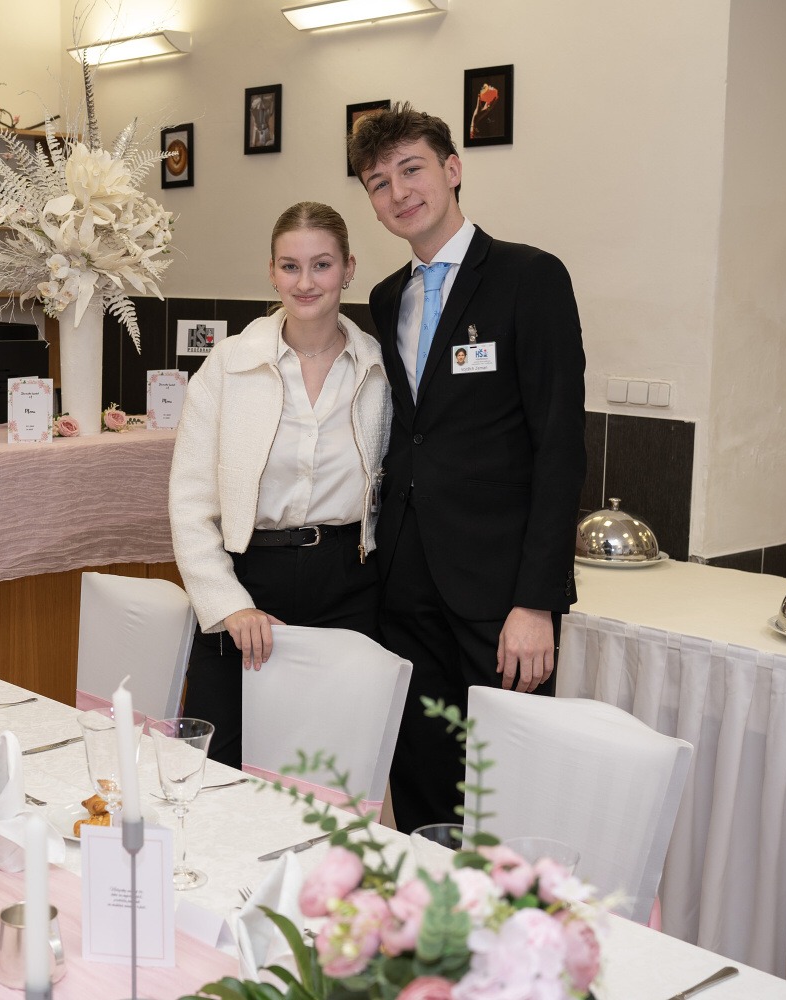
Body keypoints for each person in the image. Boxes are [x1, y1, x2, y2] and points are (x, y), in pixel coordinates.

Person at [346, 103, 585, 830]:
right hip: (407, 583)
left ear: (452, 170)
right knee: (421, 777)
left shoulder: (529, 277)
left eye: (411, 169)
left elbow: (560, 445)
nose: (398, 193)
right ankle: (429, 898)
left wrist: (537, 602)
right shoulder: (386, 297)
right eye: (379, 182)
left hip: (500, 593)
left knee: (506, 790)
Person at [169, 201, 392, 767]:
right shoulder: (228, 365)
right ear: (271, 272)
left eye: (322, 265)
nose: (305, 282)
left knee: (328, 766)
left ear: (348, 268)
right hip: (248, 582)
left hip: (348, 586)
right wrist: (229, 605)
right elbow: (191, 501)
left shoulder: (378, 369)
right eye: (290, 266)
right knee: (215, 761)